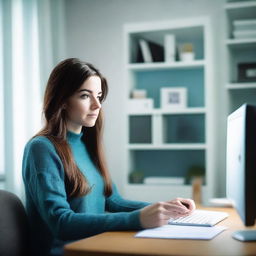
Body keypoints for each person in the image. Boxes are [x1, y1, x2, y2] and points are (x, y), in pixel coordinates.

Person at [22, 58, 195, 256]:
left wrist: (166, 209)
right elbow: (61, 222)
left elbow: (113, 201)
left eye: (99, 96)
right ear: (62, 100)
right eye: (85, 96)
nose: (97, 105)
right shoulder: (42, 148)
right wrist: (138, 219)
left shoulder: (87, 144)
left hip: (94, 247)